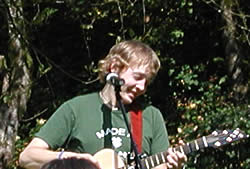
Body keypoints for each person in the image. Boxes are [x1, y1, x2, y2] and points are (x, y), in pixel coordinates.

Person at [19, 40, 187, 169]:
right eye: (137, 77)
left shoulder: (151, 115)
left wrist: (173, 165)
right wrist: (74, 159)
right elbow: (27, 157)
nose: (142, 87)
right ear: (114, 67)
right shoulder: (76, 108)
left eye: (147, 82)